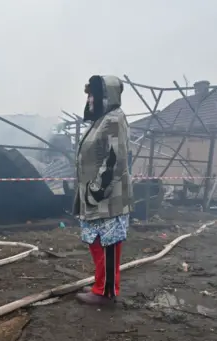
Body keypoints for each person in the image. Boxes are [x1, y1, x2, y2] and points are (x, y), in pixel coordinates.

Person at [74, 75, 132, 306]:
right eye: (88, 95)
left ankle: (106, 292)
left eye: (93, 95)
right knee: (96, 241)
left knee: (108, 244)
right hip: (95, 195)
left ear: (106, 96)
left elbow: (115, 159)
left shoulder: (114, 120)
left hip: (107, 196)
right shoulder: (102, 120)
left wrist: (96, 190)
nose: (89, 100)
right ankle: (102, 283)